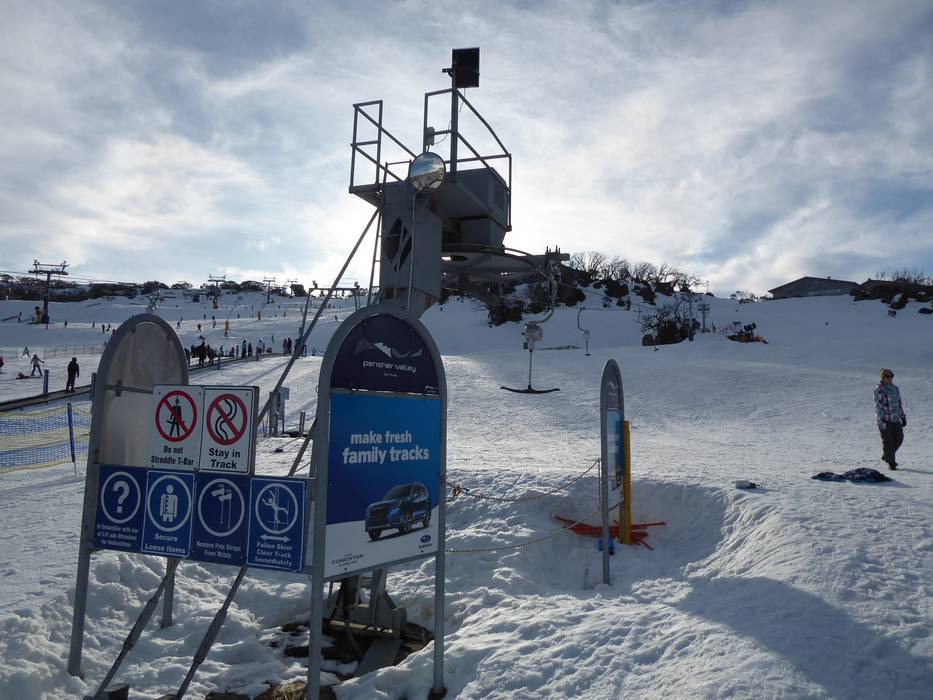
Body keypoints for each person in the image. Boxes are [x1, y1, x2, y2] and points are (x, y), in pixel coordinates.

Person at [874, 368, 906, 470]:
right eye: (887, 376)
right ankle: (891, 463)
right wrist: (882, 418)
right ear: (882, 377)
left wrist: (902, 416)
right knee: (888, 441)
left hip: (895, 419)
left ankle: (887, 455)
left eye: (891, 376)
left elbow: (899, 404)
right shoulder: (880, 390)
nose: (889, 378)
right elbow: (878, 406)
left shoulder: (895, 389)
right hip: (885, 420)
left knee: (899, 439)